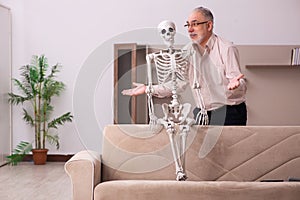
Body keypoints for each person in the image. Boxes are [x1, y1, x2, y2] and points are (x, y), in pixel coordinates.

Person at [122, 6, 247, 126]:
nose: (190, 29)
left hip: (230, 113)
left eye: (195, 24)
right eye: (188, 25)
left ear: (209, 25)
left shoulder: (227, 49)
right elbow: (179, 84)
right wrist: (148, 89)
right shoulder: (187, 52)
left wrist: (235, 85)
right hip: (202, 113)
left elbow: (239, 82)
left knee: (229, 148)